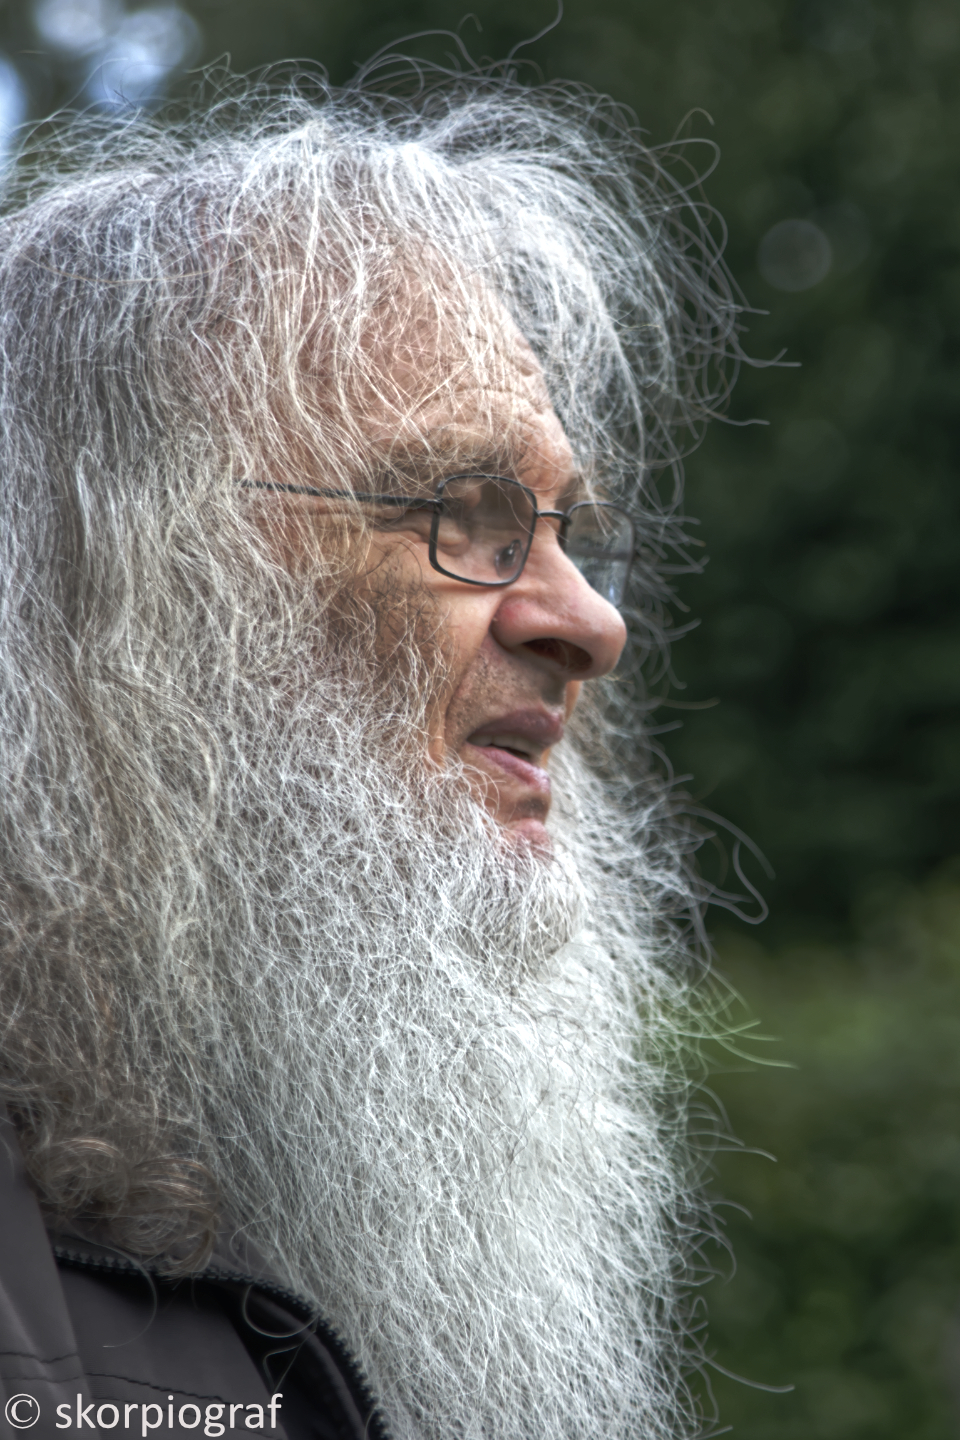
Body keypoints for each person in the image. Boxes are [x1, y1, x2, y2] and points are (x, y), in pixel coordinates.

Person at [0, 68, 743, 1440]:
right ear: (122, 591)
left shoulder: (332, 1172)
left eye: (570, 531)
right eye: (461, 514)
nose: (592, 622)